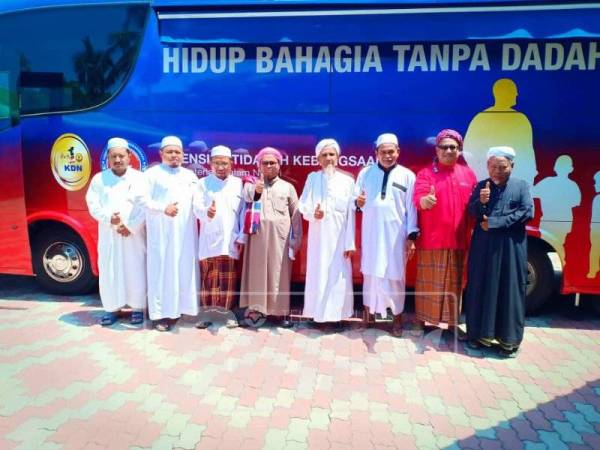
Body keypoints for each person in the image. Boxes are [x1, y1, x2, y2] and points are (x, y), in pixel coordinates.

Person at [464, 146, 534, 357]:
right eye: (493, 166)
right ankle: (478, 336)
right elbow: (472, 212)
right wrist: (481, 202)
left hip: (511, 247)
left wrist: (495, 222)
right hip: (484, 247)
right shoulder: (481, 186)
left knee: (510, 289)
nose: (497, 171)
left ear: (512, 166)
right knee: (480, 287)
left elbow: (527, 212)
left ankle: (508, 341)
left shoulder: (521, 186)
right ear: (487, 166)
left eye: (502, 167)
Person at [413, 129, 477, 338]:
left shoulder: (468, 175)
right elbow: (418, 198)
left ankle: (452, 324)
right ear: (437, 150)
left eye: (453, 147)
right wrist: (425, 201)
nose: (449, 151)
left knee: (455, 284)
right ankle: (422, 321)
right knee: (429, 283)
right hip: (432, 240)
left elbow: (475, 206)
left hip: (459, 240)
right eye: (445, 147)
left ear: (459, 150)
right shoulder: (426, 174)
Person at [355, 133, 418, 336]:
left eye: (391, 152)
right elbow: (355, 200)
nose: (388, 155)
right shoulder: (365, 174)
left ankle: (396, 319)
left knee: (395, 276)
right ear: (376, 153)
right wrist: (358, 203)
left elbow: (412, 208)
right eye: (384, 152)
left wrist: (411, 236)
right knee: (370, 274)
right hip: (371, 233)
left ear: (398, 152)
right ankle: (369, 314)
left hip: (396, 236)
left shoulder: (407, 176)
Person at [140, 136, 199, 331]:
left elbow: (198, 203)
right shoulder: (151, 175)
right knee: (161, 272)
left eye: (177, 152)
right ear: (161, 154)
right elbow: (141, 200)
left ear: (183, 154)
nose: (174, 155)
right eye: (170, 152)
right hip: (161, 234)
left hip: (185, 235)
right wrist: (162, 208)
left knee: (184, 271)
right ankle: (159, 316)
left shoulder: (190, 176)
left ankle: (183, 311)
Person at [85, 137, 147, 326]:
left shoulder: (140, 178)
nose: (118, 160)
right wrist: (109, 218)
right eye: (114, 156)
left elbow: (145, 206)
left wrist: (131, 226)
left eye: (121, 156)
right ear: (108, 159)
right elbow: (93, 204)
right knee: (110, 269)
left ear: (129, 156)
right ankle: (112, 308)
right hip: (109, 234)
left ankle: (138, 307)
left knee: (136, 267)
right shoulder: (99, 179)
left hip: (133, 234)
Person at [239, 147, 302, 328]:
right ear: (259, 165)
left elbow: (296, 216)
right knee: (256, 274)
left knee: (279, 275)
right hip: (257, 238)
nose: (269, 166)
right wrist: (257, 190)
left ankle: (281, 313)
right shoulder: (251, 184)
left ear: (279, 165)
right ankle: (256, 312)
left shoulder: (288, 187)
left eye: (272, 163)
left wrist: (295, 241)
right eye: (265, 163)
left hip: (280, 240)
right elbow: (247, 198)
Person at [298, 139, 355, 325]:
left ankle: (337, 316)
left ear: (338, 157)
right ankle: (317, 315)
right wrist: (313, 213)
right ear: (318, 159)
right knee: (318, 274)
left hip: (340, 238)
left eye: (332, 154)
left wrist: (350, 243)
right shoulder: (312, 178)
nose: (328, 158)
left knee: (338, 277)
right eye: (324, 155)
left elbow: (351, 215)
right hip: (318, 238)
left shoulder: (348, 181)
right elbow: (302, 205)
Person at [193, 145, 245, 329]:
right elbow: (196, 208)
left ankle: (227, 315)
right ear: (210, 164)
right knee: (209, 278)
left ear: (231, 163)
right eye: (217, 163)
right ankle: (206, 314)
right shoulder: (202, 184)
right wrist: (208, 212)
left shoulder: (238, 184)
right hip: (209, 239)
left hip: (230, 239)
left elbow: (242, 213)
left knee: (228, 279)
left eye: (224, 163)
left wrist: (241, 237)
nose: (221, 167)